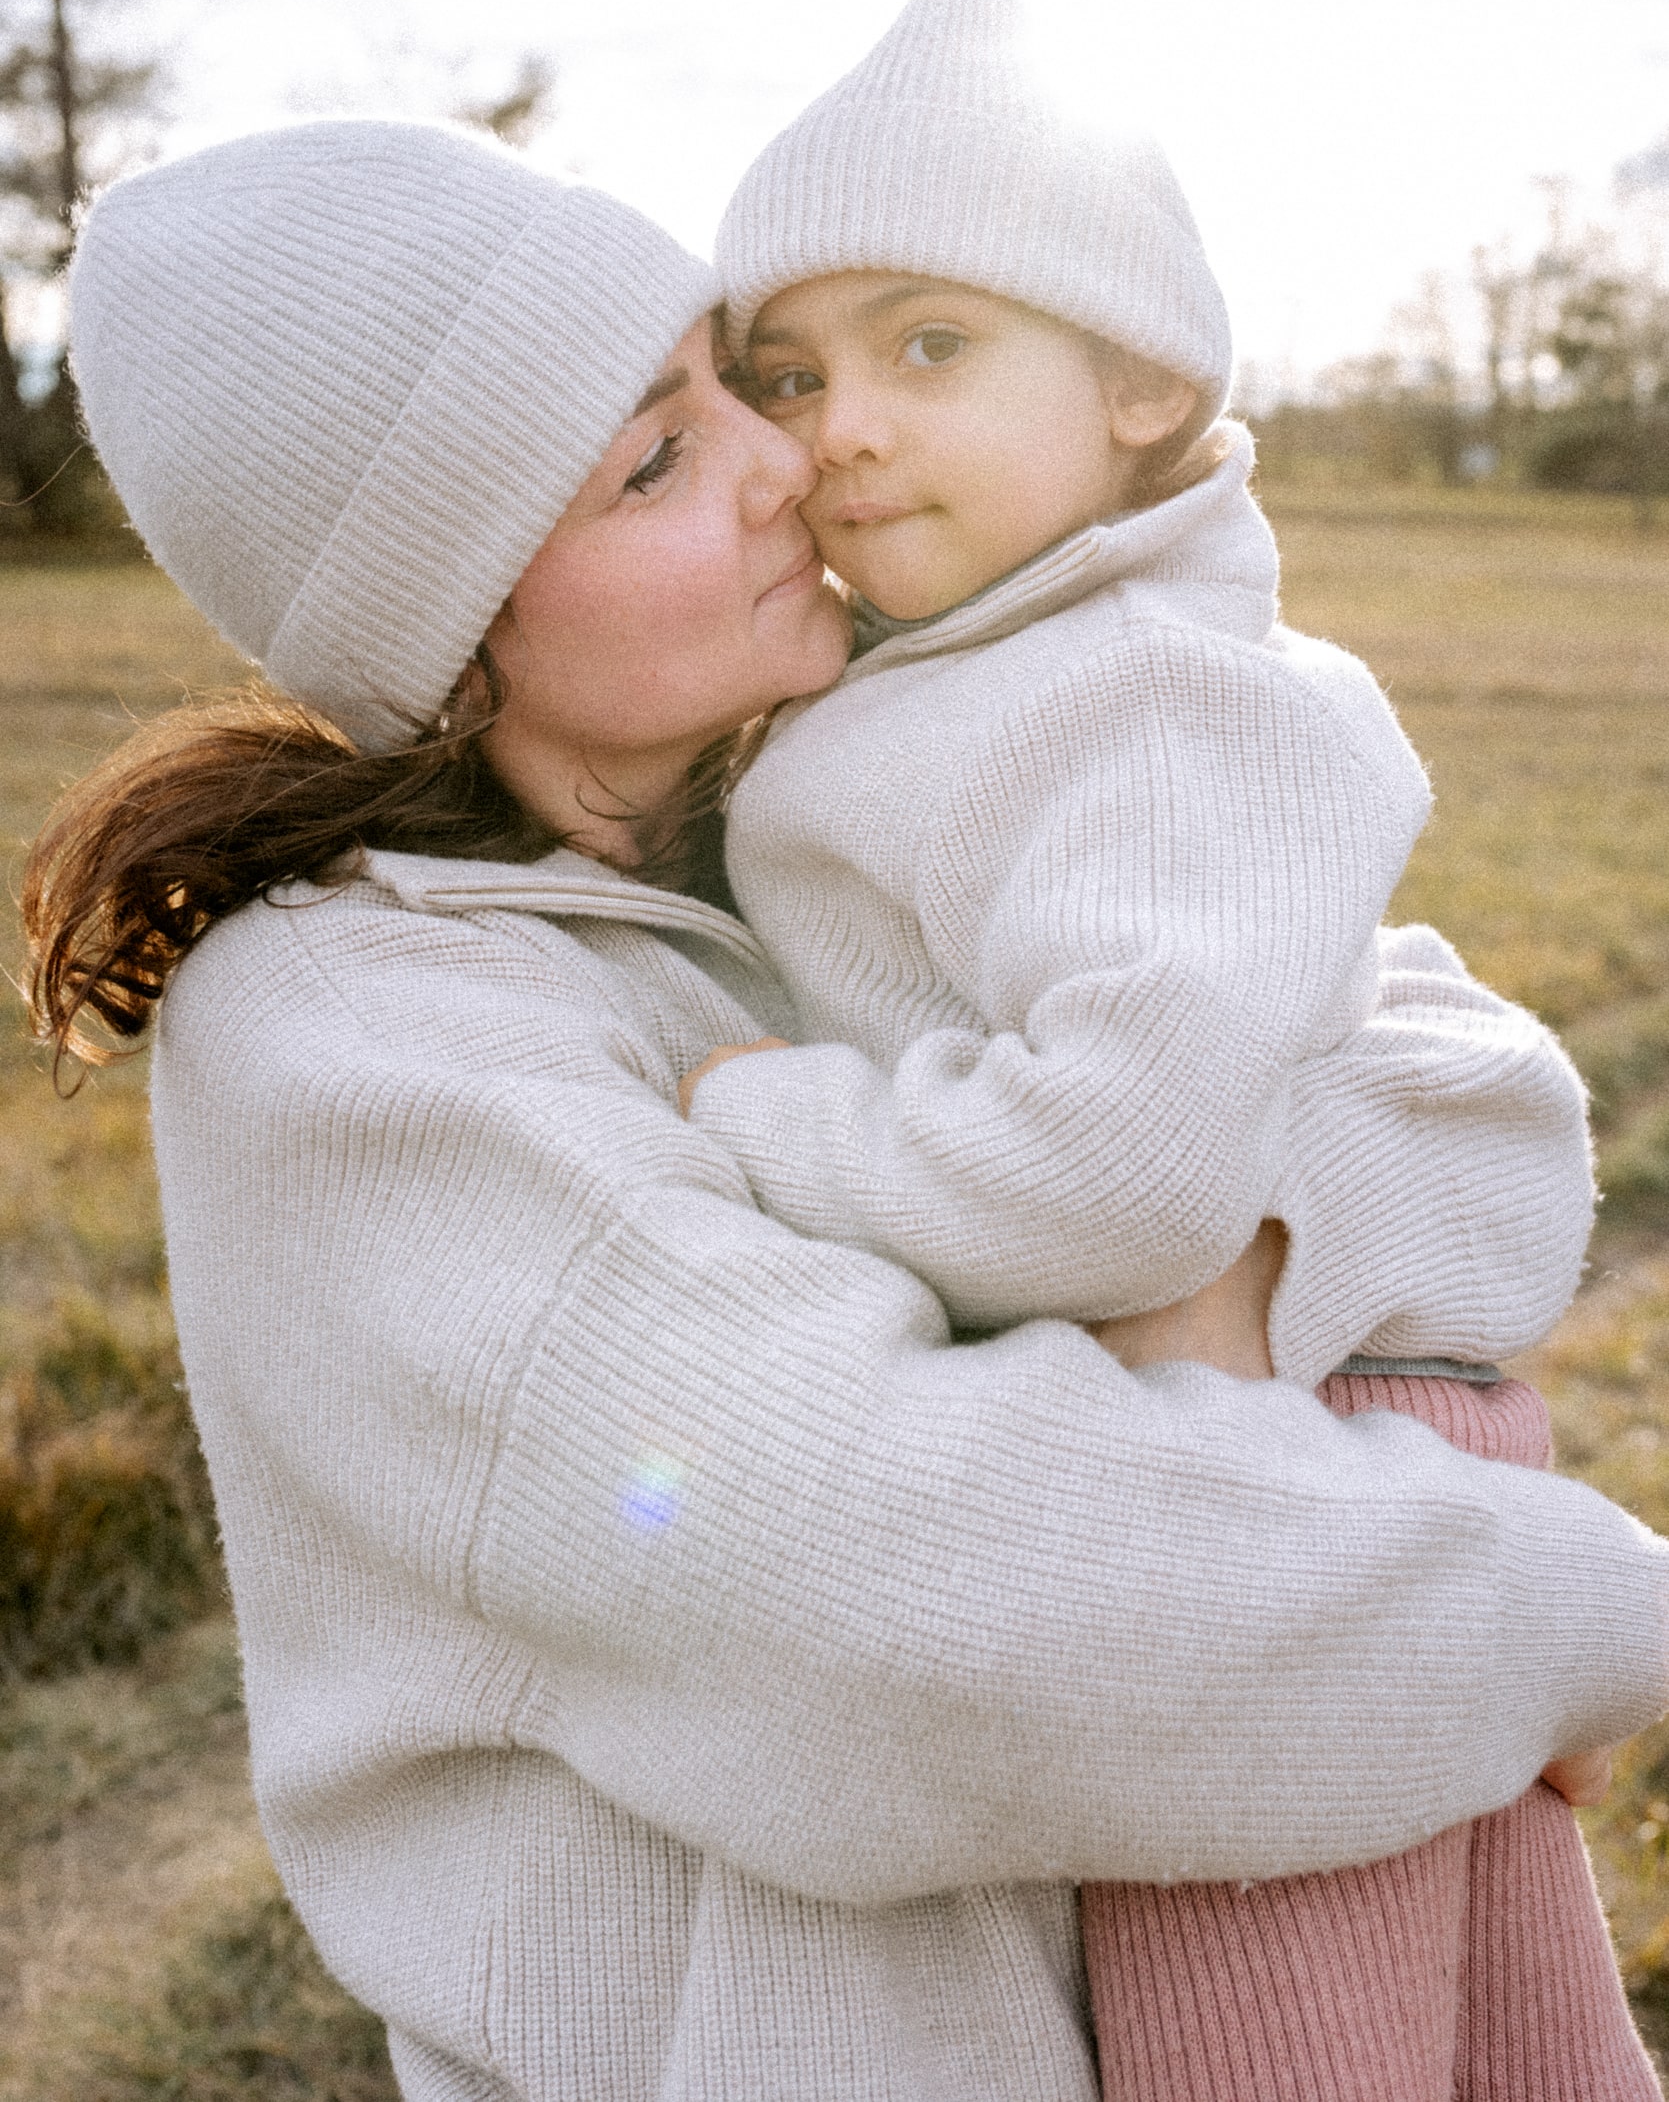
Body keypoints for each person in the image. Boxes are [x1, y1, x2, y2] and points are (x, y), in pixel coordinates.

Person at [22, 114, 1668, 2102]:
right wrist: (1584, 1612)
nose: (788, 457)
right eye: (656, 455)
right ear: (447, 641)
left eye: (738, 379)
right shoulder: (363, 1039)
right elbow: (936, 1612)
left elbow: (1495, 1122)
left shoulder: (851, 821)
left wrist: (1230, 1240)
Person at [689, 0, 1660, 2097]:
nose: (840, 425)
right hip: (1285, 1457)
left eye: (928, 345)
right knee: (1515, 2050)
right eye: (789, 370)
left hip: (1273, 1498)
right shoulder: (987, 671)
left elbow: (1121, 1174)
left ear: (1139, 379)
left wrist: (778, 1124)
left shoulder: (1145, 690)